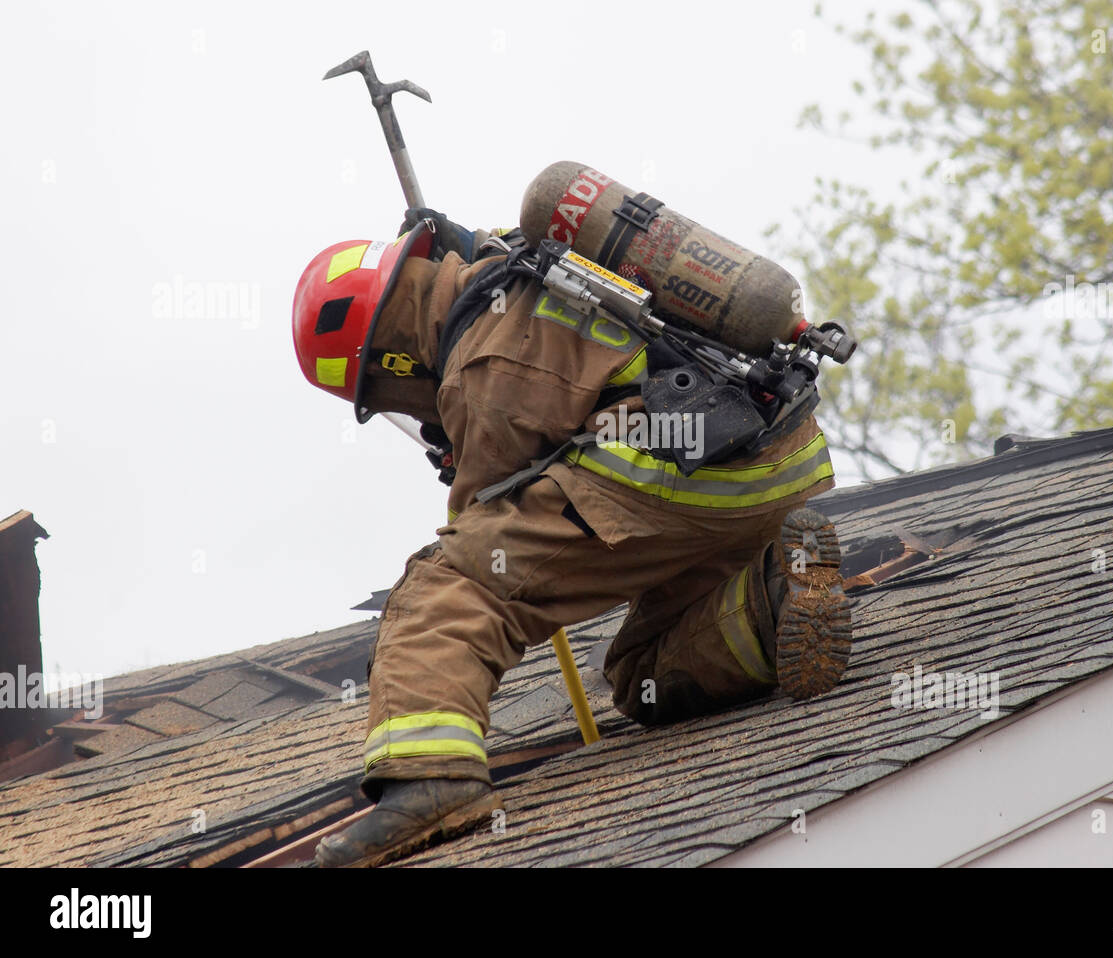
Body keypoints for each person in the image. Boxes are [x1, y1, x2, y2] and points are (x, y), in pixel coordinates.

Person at [290, 209, 851, 868]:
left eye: (384, 392)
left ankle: (430, 779)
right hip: (781, 460)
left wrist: (464, 461)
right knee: (641, 675)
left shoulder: (479, 358)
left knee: (444, 588)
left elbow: (482, 538)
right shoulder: (529, 270)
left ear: (390, 357)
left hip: (673, 472)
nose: (404, 407)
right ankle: (775, 595)